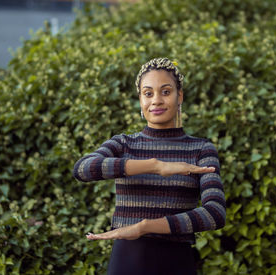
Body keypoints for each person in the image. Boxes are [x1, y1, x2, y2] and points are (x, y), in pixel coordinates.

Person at [73, 57, 226, 275]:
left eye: (165, 92)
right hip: (127, 262)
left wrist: (144, 227)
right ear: (140, 100)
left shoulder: (200, 149)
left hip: (176, 262)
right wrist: (155, 166)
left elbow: (215, 213)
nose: (156, 100)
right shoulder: (124, 143)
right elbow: (83, 169)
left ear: (179, 95)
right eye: (148, 93)